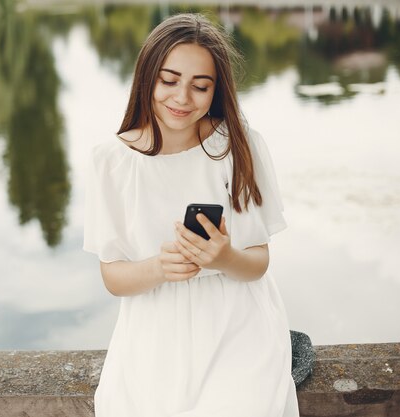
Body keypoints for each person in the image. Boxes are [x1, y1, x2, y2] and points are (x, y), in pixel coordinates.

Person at [83, 13, 300, 417]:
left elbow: (258, 262)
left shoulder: (237, 146)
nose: (182, 98)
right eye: (169, 81)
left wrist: (224, 258)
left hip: (238, 321)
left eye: (200, 86)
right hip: (153, 327)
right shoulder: (110, 162)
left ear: (216, 90)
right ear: (146, 76)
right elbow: (113, 277)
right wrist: (160, 267)